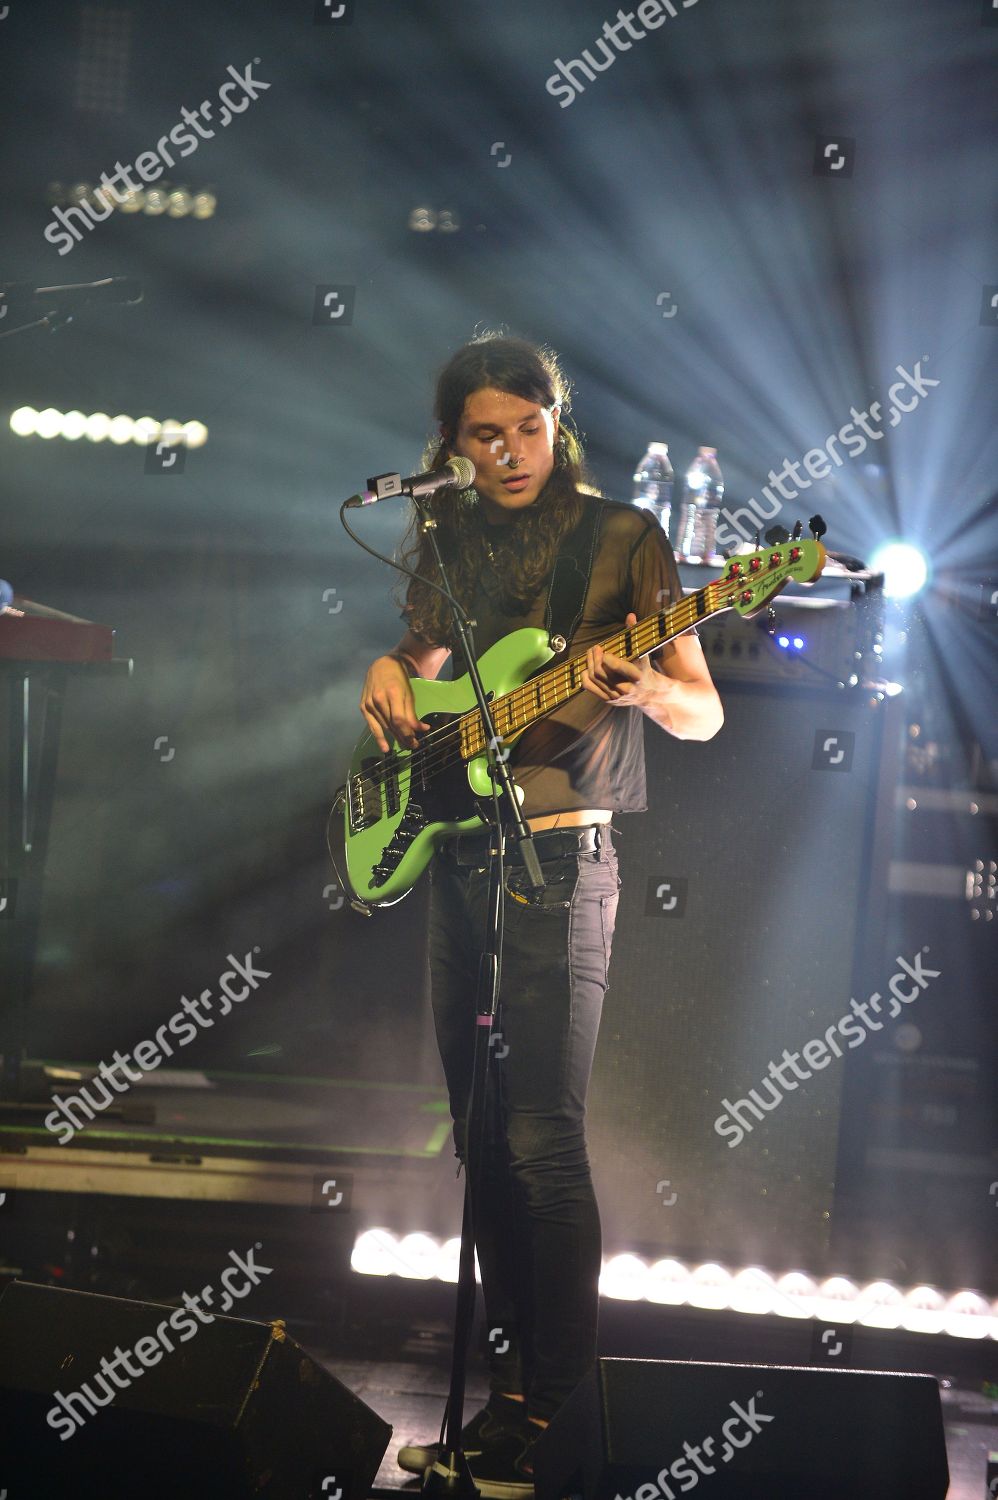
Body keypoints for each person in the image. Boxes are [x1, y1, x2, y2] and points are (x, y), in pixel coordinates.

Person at [359, 334, 723, 1496]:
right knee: (475, 1141)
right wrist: (387, 665)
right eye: (483, 435)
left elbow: (701, 714)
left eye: (526, 428)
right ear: (451, 445)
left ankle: (557, 1407)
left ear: (556, 425)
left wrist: (651, 686)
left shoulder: (625, 540)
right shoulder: (448, 533)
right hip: (457, 858)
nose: (509, 453)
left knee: (539, 1140)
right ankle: (506, 1399)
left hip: (558, 861)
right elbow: (429, 664)